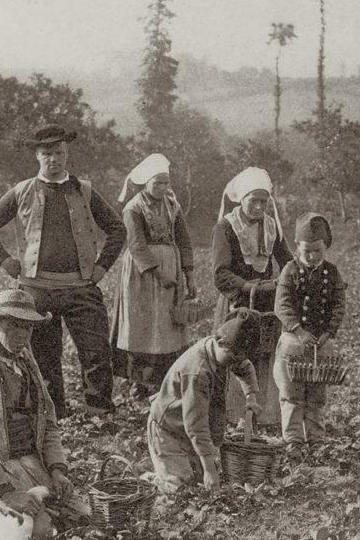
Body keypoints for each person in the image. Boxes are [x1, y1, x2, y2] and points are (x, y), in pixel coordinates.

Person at [0, 124, 126, 418]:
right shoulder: (22, 191)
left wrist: (101, 267)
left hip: (81, 287)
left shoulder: (85, 190)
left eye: (59, 153)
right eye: (47, 154)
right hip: (37, 289)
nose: (53, 159)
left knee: (96, 352)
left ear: (67, 154)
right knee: (44, 357)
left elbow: (117, 228)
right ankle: (53, 415)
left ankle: (99, 415)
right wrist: (7, 262)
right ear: (37, 156)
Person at [0, 289, 90, 539]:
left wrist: (57, 470)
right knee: (39, 531)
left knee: (81, 516)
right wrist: (7, 492)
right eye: (13, 325)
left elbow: (48, 420)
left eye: (28, 328)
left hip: (28, 458)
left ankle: (2, 494)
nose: (22, 334)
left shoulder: (24, 359)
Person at [146, 309, 262, 494]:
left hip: (188, 432)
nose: (235, 363)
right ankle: (149, 483)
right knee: (179, 488)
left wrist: (251, 397)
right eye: (233, 358)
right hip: (168, 430)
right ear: (221, 342)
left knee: (198, 484)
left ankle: (166, 472)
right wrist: (209, 468)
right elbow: (196, 424)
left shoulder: (225, 352)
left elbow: (245, 367)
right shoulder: (198, 371)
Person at [110, 153, 196, 400]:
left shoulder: (172, 205)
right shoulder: (133, 208)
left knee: (166, 325)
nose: (163, 188)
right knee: (143, 325)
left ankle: (164, 379)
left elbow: (184, 240)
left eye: (166, 183)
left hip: (172, 266)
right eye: (157, 183)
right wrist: (159, 273)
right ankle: (139, 381)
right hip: (143, 273)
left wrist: (188, 275)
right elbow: (136, 245)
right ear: (146, 182)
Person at [212, 167, 292, 429]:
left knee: (265, 356)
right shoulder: (226, 227)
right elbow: (221, 273)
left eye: (263, 202)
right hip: (238, 302)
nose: (258, 207)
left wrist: (300, 277)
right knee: (235, 355)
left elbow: (286, 260)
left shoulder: (271, 226)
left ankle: (263, 414)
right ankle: (233, 415)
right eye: (253, 201)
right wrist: (247, 287)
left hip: (266, 302)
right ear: (241, 199)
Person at [273, 213, 347, 447]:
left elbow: (338, 304)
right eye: (307, 252)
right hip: (294, 338)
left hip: (321, 340)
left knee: (317, 392)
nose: (313, 256)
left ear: (325, 247)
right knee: (291, 392)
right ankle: (293, 439)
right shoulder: (290, 271)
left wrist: (329, 332)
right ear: (297, 247)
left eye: (318, 251)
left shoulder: (332, 273)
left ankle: (316, 438)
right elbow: (282, 304)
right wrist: (298, 331)